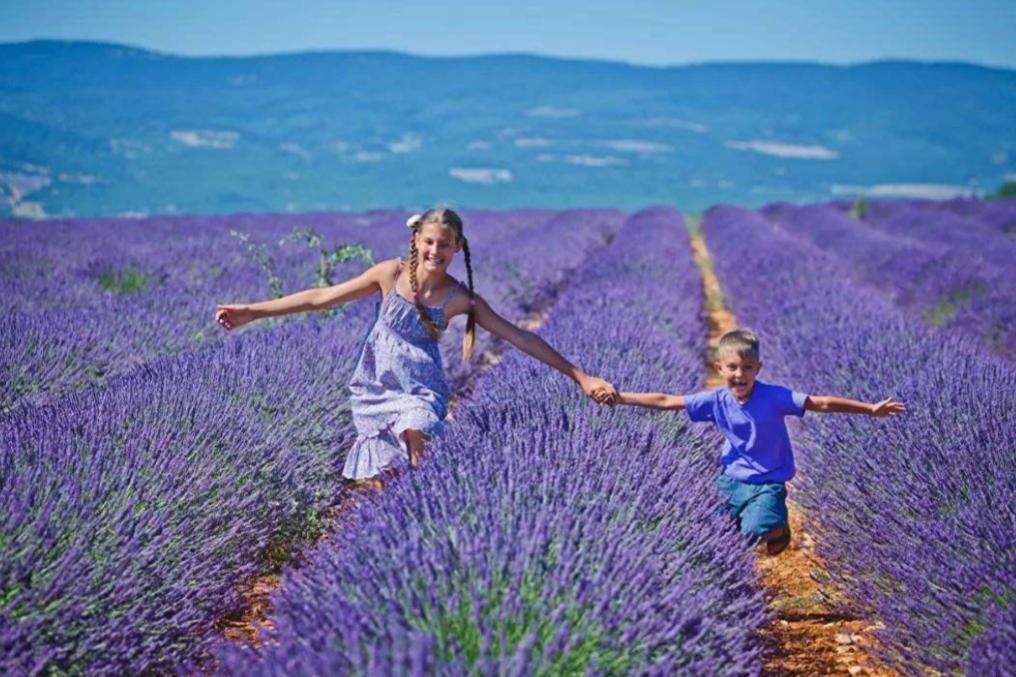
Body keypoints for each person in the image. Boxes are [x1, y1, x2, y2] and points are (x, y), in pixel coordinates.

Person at [216, 207, 617, 488]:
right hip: (376, 384)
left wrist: (580, 376)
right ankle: (405, 519)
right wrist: (253, 311)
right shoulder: (389, 273)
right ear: (415, 240)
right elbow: (321, 297)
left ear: (457, 248)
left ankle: (425, 495)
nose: (435, 252)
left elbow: (521, 337)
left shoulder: (461, 299)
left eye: (445, 245)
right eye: (429, 242)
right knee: (388, 473)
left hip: (421, 387)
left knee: (415, 427)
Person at [610, 328, 905, 555]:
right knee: (716, 534)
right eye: (733, 367)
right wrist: (620, 397)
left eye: (747, 367)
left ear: (758, 369)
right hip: (731, 479)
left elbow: (821, 403)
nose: (740, 374)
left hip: (768, 480)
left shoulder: (774, 397)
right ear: (720, 368)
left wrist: (870, 409)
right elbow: (666, 401)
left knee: (754, 530)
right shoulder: (715, 400)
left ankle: (777, 528)